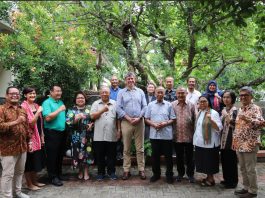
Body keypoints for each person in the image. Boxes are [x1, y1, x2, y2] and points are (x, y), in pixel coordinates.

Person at [233, 86, 265, 198]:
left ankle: (253, 191)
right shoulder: (241, 109)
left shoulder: (255, 108)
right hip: (240, 143)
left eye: (245, 95)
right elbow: (239, 126)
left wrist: (248, 119)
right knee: (242, 167)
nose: (242, 97)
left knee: (250, 168)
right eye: (241, 95)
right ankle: (246, 187)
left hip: (250, 143)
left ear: (251, 96)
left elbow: (261, 123)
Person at [0, 86, 31, 198]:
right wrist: (16, 122)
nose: (15, 95)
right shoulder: (1, 109)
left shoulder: (22, 109)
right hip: (7, 148)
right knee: (8, 174)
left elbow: (26, 127)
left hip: (22, 147)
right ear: (6, 95)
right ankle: (6, 196)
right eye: (12, 93)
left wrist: (30, 141)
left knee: (19, 172)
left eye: (17, 93)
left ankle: (17, 192)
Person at [117, 72, 147, 180]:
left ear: (135, 80)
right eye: (128, 79)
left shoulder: (140, 92)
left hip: (139, 122)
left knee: (140, 148)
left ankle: (141, 169)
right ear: (125, 80)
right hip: (126, 122)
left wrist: (139, 117)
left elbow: (145, 106)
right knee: (126, 148)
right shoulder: (121, 92)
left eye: (132, 78)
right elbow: (118, 108)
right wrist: (129, 118)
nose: (130, 80)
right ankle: (126, 171)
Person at [145, 86, 176, 184]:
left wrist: (165, 123)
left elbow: (173, 119)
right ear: (155, 93)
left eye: (161, 92)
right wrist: (153, 124)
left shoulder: (169, 105)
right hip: (154, 135)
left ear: (164, 94)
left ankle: (169, 175)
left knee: (168, 157)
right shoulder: (150, 105)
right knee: (155, 157)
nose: (159, 94)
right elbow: (146, 119)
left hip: (166, 135)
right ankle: (156, 174)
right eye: (158, 92)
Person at [193, 95, 223, 186]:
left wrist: (211, 120)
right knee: (203, 161)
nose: (202, 103)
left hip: (210, 143)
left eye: (204, 101)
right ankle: (207, 177)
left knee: (210, 161)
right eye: (200, 101)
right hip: (200, 142)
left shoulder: (213, 113)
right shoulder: (200, 112)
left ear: (208, 102)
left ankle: (211, 179)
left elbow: (219, 128)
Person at [91, 86, 119, 181]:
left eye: (106, 92)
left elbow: (118, 118)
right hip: (99, 135)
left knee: (112, 155)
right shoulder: (95, 103)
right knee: (100, 156)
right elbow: (92, 116)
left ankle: (112, 172)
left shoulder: (115, 103)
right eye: (102, 92)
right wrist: (102, 110)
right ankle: (100, 173)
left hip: (112, 134)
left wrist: (119, 130)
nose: (104, 94)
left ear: (109, 94)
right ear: (100, 94)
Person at [66, 91, 94, 181]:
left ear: (85, 99)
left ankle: (86, 171)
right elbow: (68, 122)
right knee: (77, 154)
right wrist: (76, 118)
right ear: (75, 100)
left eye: (82, 98)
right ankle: (80, 171)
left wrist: (92, 125)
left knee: (87, 153)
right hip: (76, 136)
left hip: (87, 136)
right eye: (78, 98)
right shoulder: (71, 110)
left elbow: (95, 118)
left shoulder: (90, 108)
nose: (80, 99)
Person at [21, 87, 45, 191]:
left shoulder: (35, 105)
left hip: (38, 137)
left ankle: (35, 181)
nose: (32, 95)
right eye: (30, 94)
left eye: (34, 93)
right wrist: (38, 112)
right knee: (29, 162)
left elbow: (40, 123)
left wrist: (42, 136)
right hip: (29, 138)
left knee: (35, 160)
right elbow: (30, 123)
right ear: (25, 95)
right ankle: (29, 184)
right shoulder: (23, 106)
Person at [42, 85, 66, 186]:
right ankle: (52, 177)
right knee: (52, 156)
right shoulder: (46, 103)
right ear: (51, 92)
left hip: (62, 133)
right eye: (57, 91)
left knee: (60, 155)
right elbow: (47, 118)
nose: (59, 93)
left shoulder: (60, 102)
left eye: (60, 91)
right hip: (52, 133)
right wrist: (59, 110)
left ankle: (59, 174)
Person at [172, 87, 196, 183]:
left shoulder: (191, 105)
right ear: (176, 94)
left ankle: (190, 175)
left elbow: (195, 119)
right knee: (179, 157)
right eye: (179, 93)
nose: (181, 95)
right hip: (177, 136)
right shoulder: (172, 105)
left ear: (186, 94)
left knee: (190, 157)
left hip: (189, 136)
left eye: (183, 93)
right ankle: (180, 174)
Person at [220, 90, 238, 189]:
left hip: (231, 140)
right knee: (224, 160)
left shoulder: (235, 110)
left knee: (231, 161)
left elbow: (234, 124)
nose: (226, 99)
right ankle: (226, 179)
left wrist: (226, 115)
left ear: (232, 99)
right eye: (224, 97)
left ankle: (233, 182)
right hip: (223, 139)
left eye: (228, 97)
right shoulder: (224, 109)